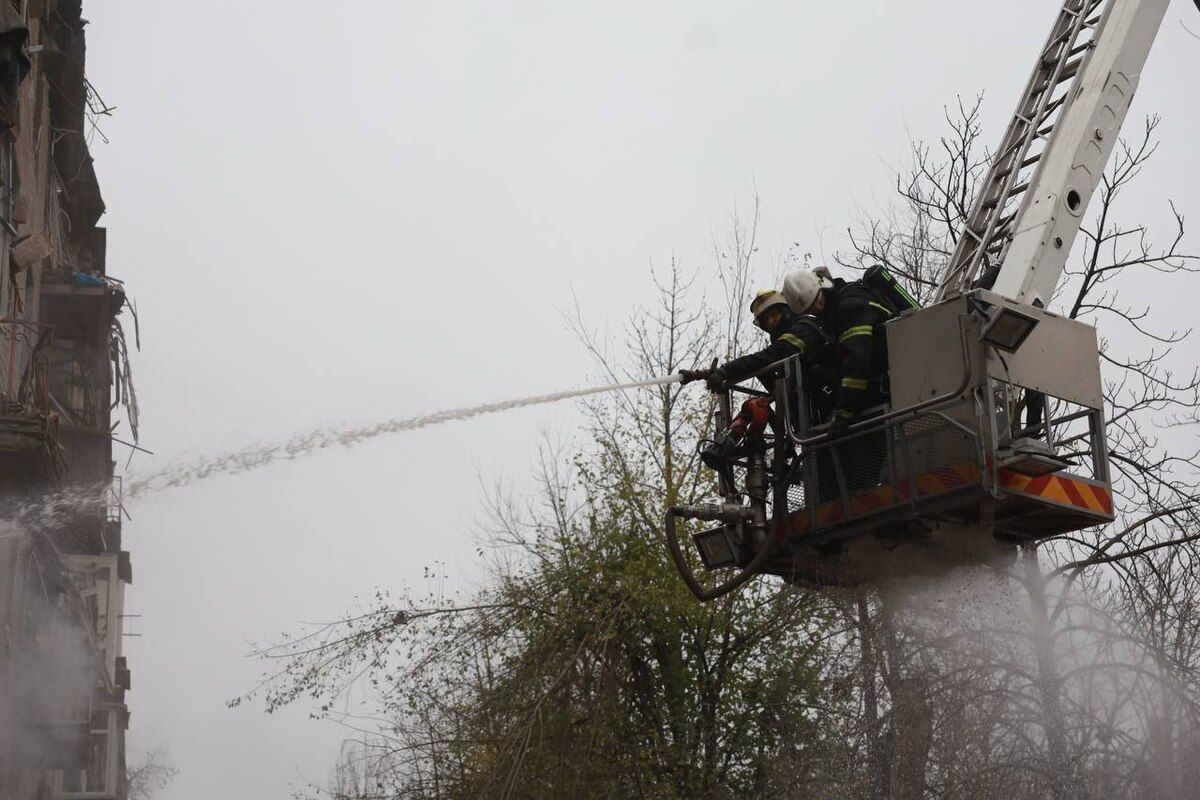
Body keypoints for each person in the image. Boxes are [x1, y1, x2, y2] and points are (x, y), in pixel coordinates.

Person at [681, 289, 833, 473]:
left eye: (774, 315)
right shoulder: (789, 342)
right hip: (818, 429)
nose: (771, 322)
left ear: (786, 311)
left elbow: (765, 358)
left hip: (828, 420)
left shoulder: (803, 329)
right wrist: (714, 374)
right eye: (765, 320)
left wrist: (725, 371)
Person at [782, 268, 896, 496]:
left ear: (822, 288)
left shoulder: (849, 306)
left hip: (881, 394)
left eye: (817, 301)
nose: (817, 308)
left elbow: (858, 362)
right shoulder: (837, 311)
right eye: (809, 309)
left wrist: (844, 411)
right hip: (882, 393)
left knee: (858, 469)